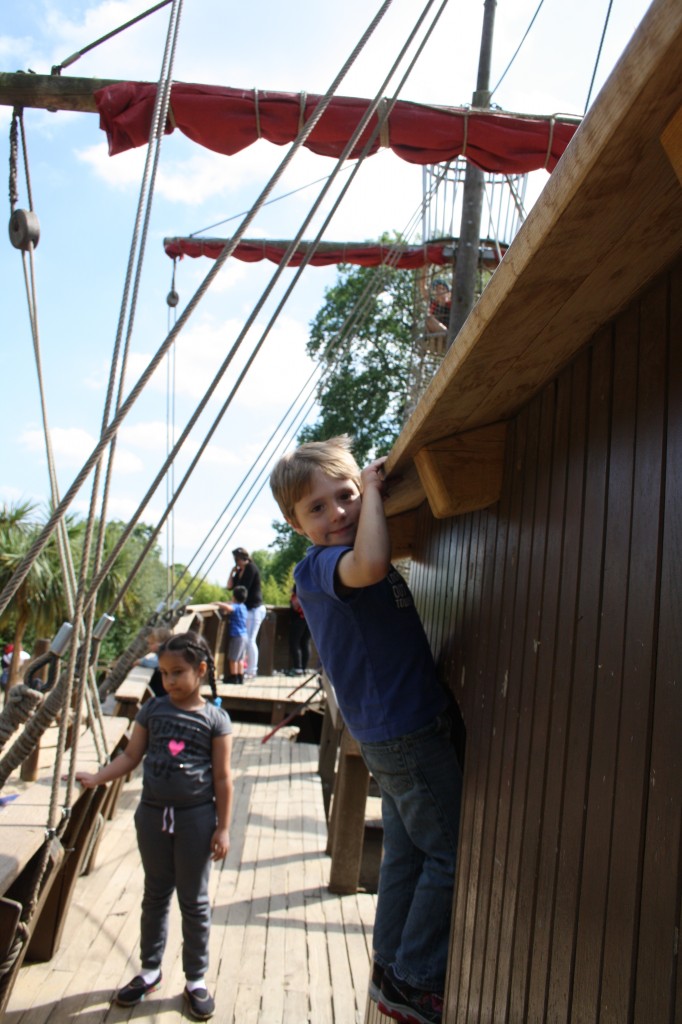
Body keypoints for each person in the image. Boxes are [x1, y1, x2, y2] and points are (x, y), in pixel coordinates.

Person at [270, 436, 462, 1024]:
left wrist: (370, 496)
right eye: (318, 509)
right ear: (297, 525)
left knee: (405, 850)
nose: (340, 514)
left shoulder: (334, 554)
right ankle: (417, 981)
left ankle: (389, 964)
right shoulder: (322, 566)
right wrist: (376, 492)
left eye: (346, 495)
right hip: (404, 730)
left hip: (390, 730)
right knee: (450, 852)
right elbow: (373, 563)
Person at [76, 631, 233, 1021]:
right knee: (155, 894)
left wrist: (223, 828)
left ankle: (195, 979)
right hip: (151, 815)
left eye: (178, 672)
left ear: (200, 670)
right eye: (163, 674)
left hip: (196, 818)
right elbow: (131, 756)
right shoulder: (152, 711)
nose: (169, 681)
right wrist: (98, 777)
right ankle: (149, 970)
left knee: (194, 901)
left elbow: (222, 778)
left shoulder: (216, 719)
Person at [227, 548, 266, 678]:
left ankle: (252, 670)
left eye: (237, 560)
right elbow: (230, 587)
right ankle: (244, 670)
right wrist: (232, 573)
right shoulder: (239, 571)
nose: (236, 563)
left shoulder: (251, 568)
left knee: (250, 640)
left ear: (243, 558)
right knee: (246, 641)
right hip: (247, 609)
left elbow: (244, 589)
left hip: (255, 608)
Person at [217, 585, 248, 684]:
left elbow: (229, 608)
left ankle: (233, 677)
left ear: (234, 597)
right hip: (244, 635)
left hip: (237, 635)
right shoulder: (243, 607)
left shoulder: (236, 607)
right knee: (240, 659)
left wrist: (218, 603)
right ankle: (240, 677)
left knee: (233, 658)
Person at [137, 626, 173, 697]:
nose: (149, 646)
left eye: (151, 643)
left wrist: (142, 662)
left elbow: (157, 663)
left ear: (161, 644)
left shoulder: (165, 654)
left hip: (163, 692)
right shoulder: (161, 653)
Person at [286, 584, 311, 676]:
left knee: (294, 643)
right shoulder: (310, 589)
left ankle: (298, 668)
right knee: (305, 643)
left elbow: (295, 606)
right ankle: (304, 668)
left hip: (298, 620)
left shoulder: (298, 592)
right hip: (309, 620)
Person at [419, 269, 452, 338]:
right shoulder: (433, 304)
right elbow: (422, 288)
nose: (439, 291)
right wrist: (425, 269)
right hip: (439, 333)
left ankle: (448, 334)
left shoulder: (453, 305)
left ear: (449, 293)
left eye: (443, 289)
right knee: (428, 319)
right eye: (437, 289)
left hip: (451, 332)